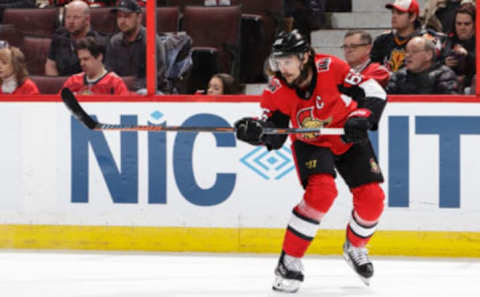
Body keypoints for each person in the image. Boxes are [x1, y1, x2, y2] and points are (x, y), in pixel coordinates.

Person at [234, 30, 387, 293]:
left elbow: (372, 91)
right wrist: (258, 133)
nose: (282, 68)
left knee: (373, 199)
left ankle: (356, 246)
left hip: (346, 134)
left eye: (288, 61)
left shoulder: (331, 67)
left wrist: (362, 116)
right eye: (278, 62)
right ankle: (289, 261)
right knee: (322, 193)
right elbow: (276, 134)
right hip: (310, 142)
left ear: (305, 57)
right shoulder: (277, 89)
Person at [105, 0, 168, 92]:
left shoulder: (151, 40)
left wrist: (130, 84)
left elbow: (157, 77)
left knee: (142, 92)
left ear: (139, 17)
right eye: (119, 16)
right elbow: (109, 72)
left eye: (127, 16)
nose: (122, 21)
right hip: (121, 91)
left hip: (149, 92)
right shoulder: (114, 42)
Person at [371, 0, 445, 73]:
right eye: (393, 12)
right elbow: (373, 67)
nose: (394, 16)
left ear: (412, 16)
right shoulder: (382, 39)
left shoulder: (427, 41)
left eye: (399, 13)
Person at [45, 0, 107, 76]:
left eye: (76, 17)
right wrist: (57, 84)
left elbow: (100, 72)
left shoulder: (98, 42)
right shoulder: (59, 37)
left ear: (87, 20)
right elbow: (51, 65)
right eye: (68, 17)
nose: (71, 21)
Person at [386, 36, 459, 94]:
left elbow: (449, 103)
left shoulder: (445, 75)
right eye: (407, 51)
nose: (407, 55)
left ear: (429, 55)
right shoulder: (399, 76)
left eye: (414, 51)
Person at [62, 36, 130, 95]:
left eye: (86, 59)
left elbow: (125, 108)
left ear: (99, 57)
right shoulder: (73, 81)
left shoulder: (115, 82)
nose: (82, 63)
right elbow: (58, 105)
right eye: (80, 60)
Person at [440, 3, 476, 92]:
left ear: (475, 25)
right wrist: (444, 63)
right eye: (459, 24)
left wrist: (468, 57)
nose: (462, 28)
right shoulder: (446, 40)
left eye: (467, 24)